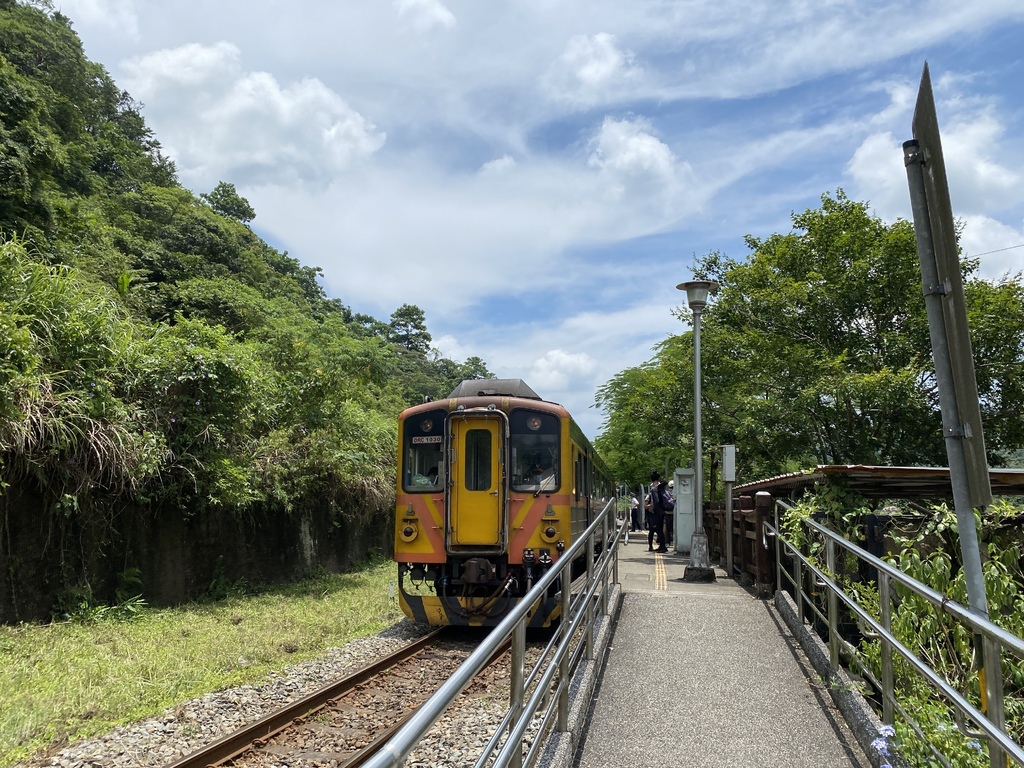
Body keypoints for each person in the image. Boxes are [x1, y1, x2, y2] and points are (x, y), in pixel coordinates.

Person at [647, 471, 666, 552]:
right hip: (662, 510)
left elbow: (656, 501)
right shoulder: (661, 487)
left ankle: (663, 547)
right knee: (660, 529)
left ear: (651, 479)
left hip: (656, 512)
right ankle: (662, 546)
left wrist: (655, 510)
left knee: (657, 529)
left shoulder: (654, 489)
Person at [660, 480, 675, 548]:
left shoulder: (666, 493)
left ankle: (667, 541)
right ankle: (673, 541)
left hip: (667, 512)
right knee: (673, 528)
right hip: (674, 513)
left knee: (667, 528)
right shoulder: (676, 492)